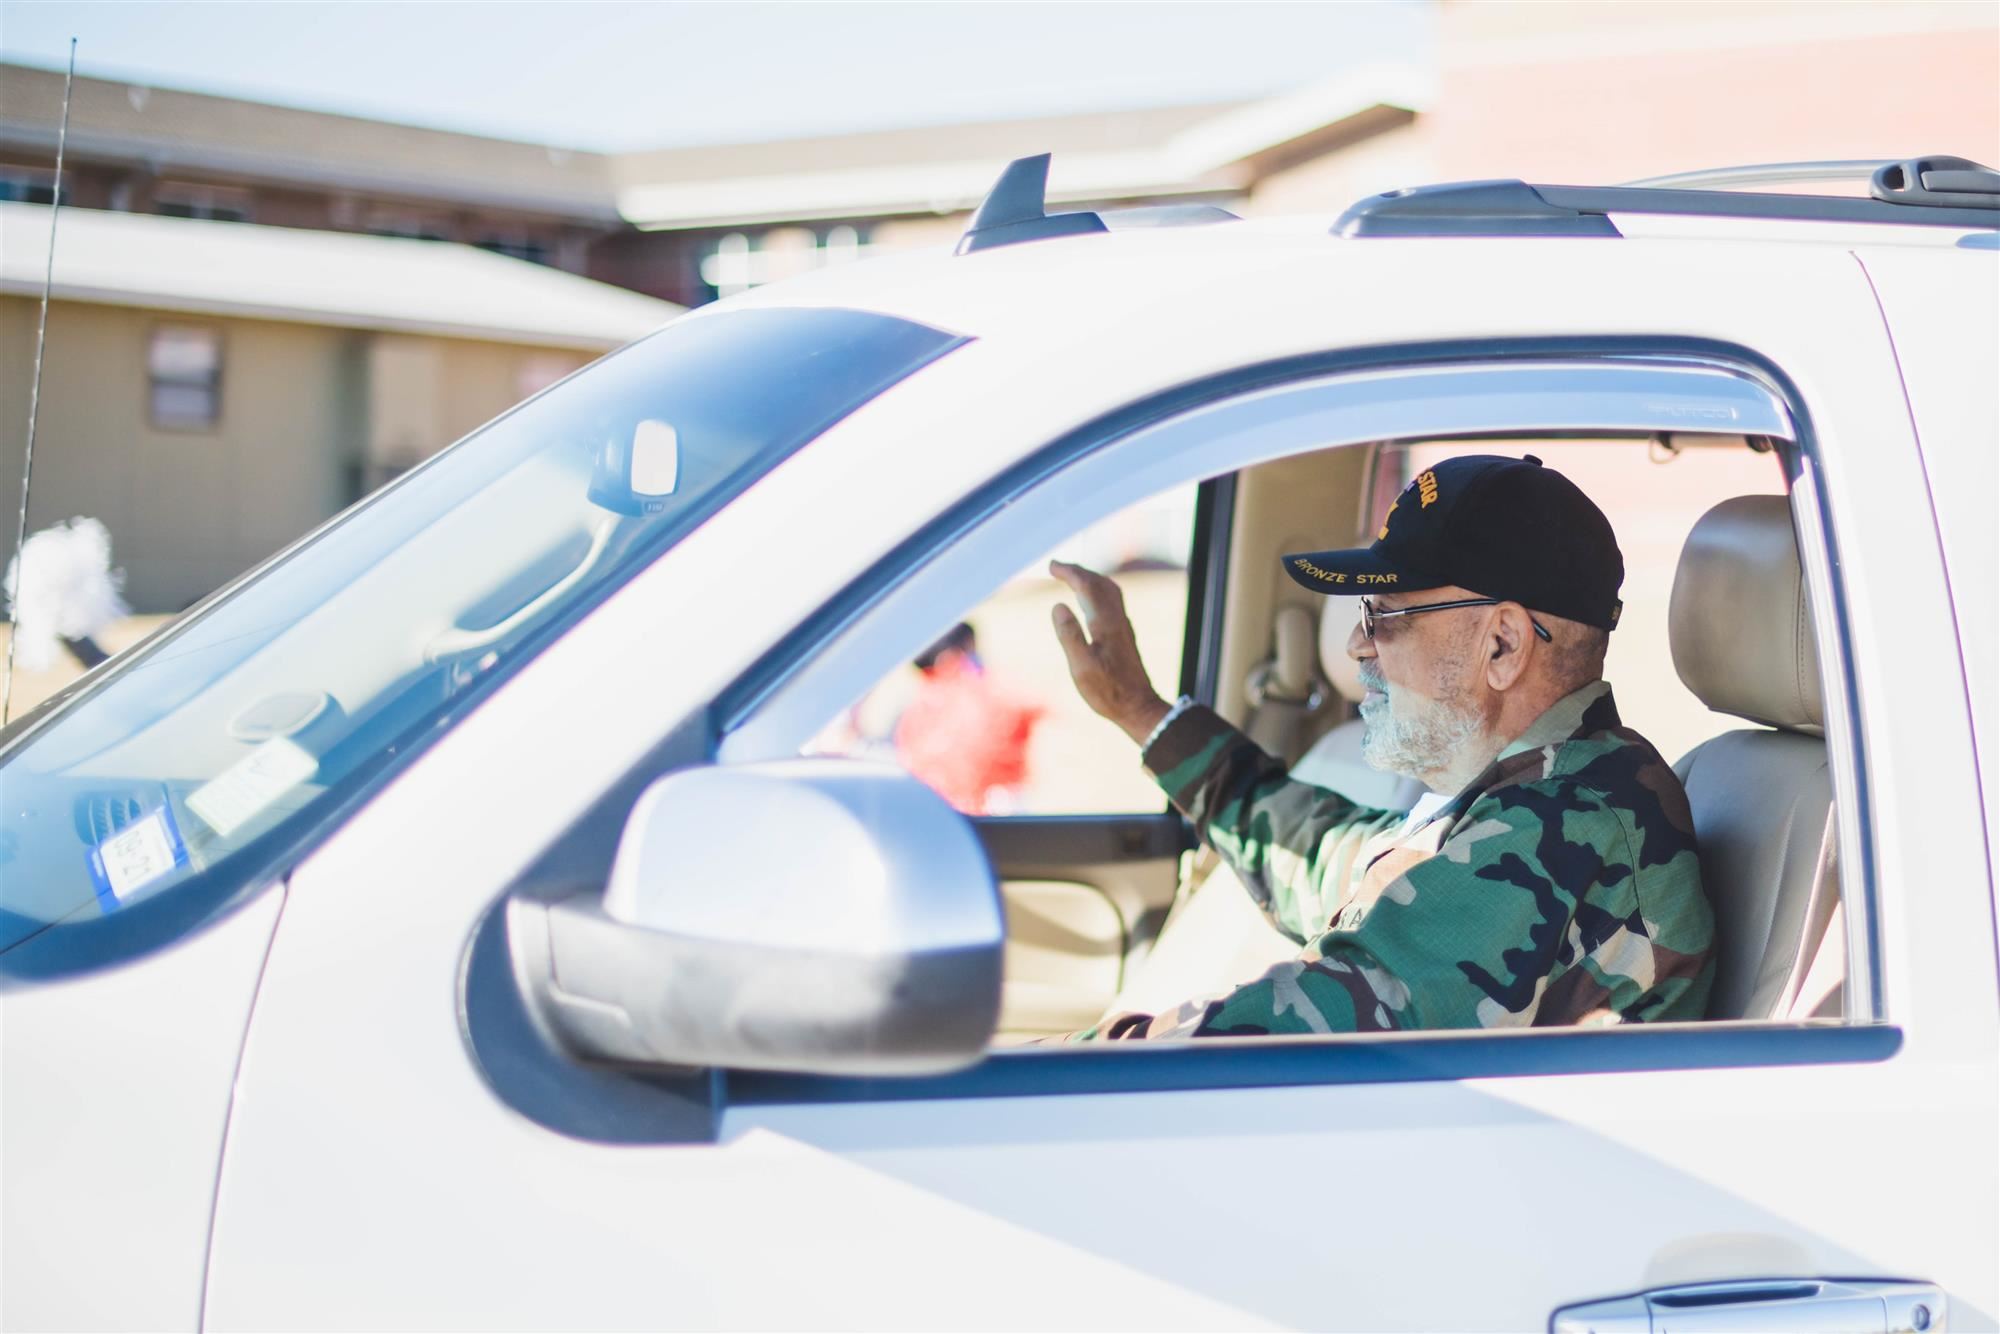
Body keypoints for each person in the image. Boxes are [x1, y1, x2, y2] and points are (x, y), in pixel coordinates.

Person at [1047, 454, 1713, 1038]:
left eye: (1383, 615)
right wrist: (1141, 711)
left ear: (1503, 645)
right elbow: (1318, 854)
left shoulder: (1570, 825)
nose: (1354, 644)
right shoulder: (1518, 798)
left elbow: (1296, 1032)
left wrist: (1042, 1070)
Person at [894, 621, 1045, 815]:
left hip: (936, 814)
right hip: (985, 812)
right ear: (950, 657)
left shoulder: (912, 710)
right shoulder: (988, 695)